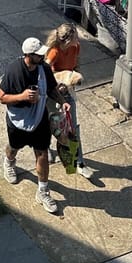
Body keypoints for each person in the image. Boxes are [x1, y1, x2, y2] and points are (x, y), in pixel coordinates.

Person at [0, 36, 68, 215]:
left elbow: (52, 88)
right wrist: (22, 97)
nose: (43, 58)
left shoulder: (44, 68)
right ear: (28, 55)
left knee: (42, 153)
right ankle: (9, 162)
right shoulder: (13, 70)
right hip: (18, 121)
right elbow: (2, 97)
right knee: (14, 147)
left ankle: (43, 191)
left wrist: (62, 101)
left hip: (39, 119)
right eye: (39, 55)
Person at [44, 23, 93, 179]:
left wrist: (73, 78)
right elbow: (45, 71)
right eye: (75, 37)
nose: (78, 39)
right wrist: (59, 83)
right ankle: (46, 149)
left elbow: (76, 63)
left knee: (72, 126)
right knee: (51, 123)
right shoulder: (54, 51)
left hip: (68, 90)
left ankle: (79, 162)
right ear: (67, 40)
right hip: (53, 92)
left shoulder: (75, 47)